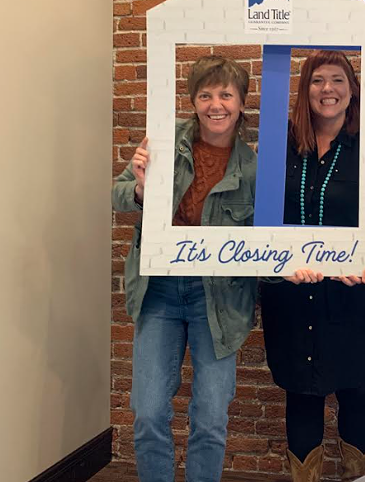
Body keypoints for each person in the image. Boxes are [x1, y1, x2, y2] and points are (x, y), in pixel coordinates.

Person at [112, 56, 258, 482]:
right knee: (149, 411)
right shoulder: (163, 141)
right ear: (193, 101)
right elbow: (117, 194)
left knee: (211, 418)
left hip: (220, 297)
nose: (216, 104)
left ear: (241, 102)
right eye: (206, 94)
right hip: (159, 289)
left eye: (226, 94)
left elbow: (263, 242)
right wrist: (139, 186)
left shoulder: (251, 166)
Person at [260, 50, 365, 482]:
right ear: (304, 90)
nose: (328, 90)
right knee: (301, 398)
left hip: (354, 301)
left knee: (358, 397)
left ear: (352, 89)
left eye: (338, 80)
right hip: (291, 298)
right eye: (318, 80)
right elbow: (260, 224)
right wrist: (280, 263)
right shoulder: (278, 149)